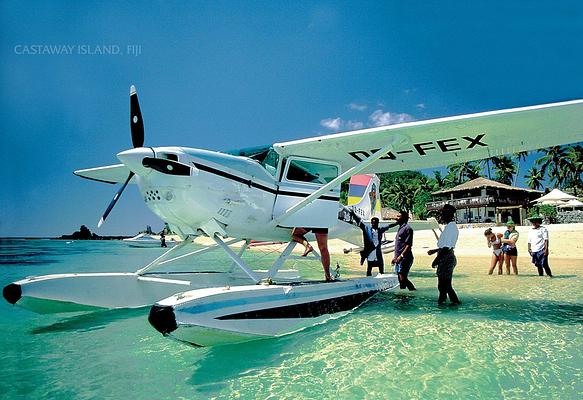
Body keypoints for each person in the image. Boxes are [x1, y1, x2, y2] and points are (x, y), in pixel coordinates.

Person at [427, 204, 461, 305]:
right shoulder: (449, 227)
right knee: (443, 285)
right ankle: (444, 303)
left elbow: (446, 248)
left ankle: (451, 303)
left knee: (445, 285)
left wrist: (436, 260)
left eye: (442, 214)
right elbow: (445, 245)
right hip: (446, 256)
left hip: (446, 257)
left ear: (448, 214)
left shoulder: (451, 227)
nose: (441, 216)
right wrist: (435, 251)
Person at [350, 209, 395, 276]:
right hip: (370, 251)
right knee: (369, 268)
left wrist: (398, 223)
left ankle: (382, 279)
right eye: (372, 223)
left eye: (375, 223)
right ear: (371, 223)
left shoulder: (380, 230)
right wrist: (353, 214)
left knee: (381, 267)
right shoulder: (367, 229)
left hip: (378, 252)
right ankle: (368, 279)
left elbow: (389, 226)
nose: (374, 224)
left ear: (377, 223)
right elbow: (359, 222)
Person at [391, 211, 416, 290]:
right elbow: (399, 245)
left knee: (403, 278)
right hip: (398, 258)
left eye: (399, 216)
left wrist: (401, 256)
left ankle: (413, 292)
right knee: (400, 278)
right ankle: (403, 296)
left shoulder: (408, 229)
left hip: (405, 258)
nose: (396, 218)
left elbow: (408, 245)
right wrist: (395, 257)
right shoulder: (401, 228)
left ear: (404, 218)